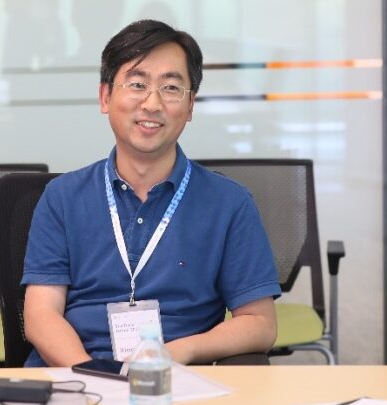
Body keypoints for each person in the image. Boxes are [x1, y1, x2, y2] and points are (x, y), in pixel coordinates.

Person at [21, 19, 280, 367]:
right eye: (137, 84)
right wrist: (92, 375)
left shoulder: (230, 203)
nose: (152, 103)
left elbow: (260, 324)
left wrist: (175, 354)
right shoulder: (61, 197)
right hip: (76, 374)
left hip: (178, 378)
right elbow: (41, 315)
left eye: (171, 88)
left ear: (190, 106)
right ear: (105, 97)